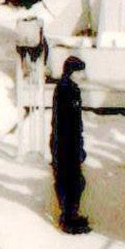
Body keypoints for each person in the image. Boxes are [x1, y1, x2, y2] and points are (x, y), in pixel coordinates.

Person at [50, 55, 91, 234]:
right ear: (73, 72)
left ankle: (71, 213)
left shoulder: (68, 88)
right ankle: (69, 217)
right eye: (81, 71)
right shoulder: (67, 90)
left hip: (68, 142)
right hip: (66, 143)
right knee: (71, 181)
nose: (83, 75)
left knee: (74, 181)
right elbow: (67, 123)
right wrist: (76, 147)